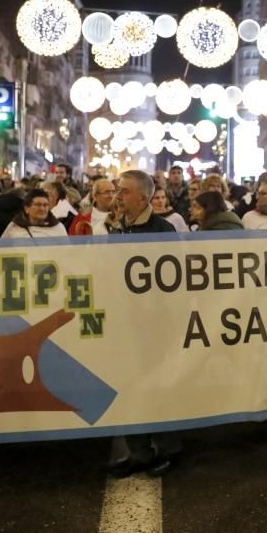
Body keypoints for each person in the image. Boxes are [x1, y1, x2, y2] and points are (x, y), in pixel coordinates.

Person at [107, 170, 179, 477]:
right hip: (124, 321)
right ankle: (137, 450)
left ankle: (166, 449)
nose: (118, 196)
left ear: (142, 197)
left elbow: (173, 281)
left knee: (159, 387)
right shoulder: (115, 227)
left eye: (123, 191)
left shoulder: (162, 230)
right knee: (128, 386)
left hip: (154, 324)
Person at [1, 189, 68, 239]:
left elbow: (67, 253)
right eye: (38, 205)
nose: (42, 209)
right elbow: (1, 251)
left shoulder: (58, 228)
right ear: (27, 209)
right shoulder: (14, 227)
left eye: (45, 205)